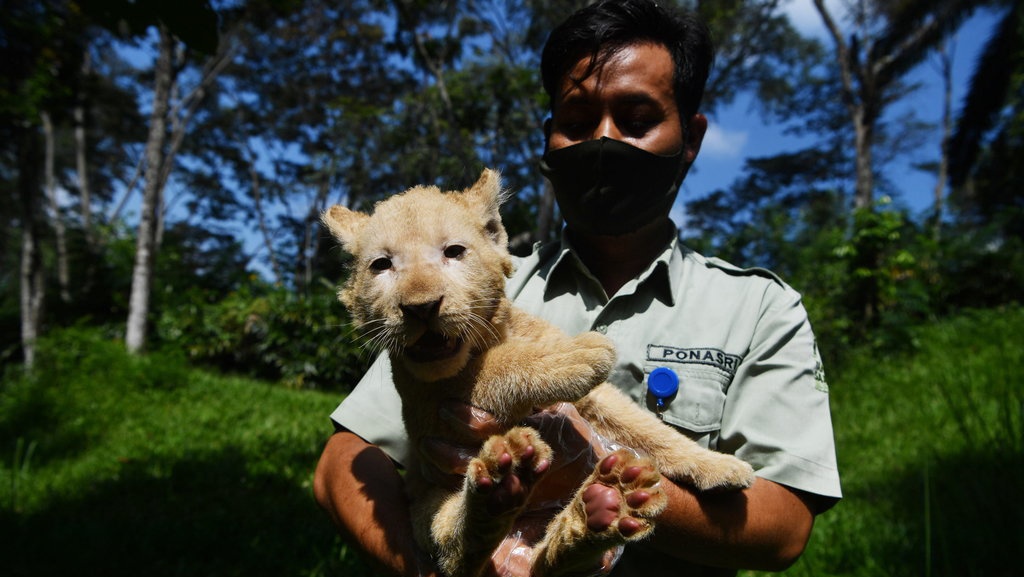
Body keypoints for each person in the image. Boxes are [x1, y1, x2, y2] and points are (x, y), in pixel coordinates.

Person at [313, 1, 842, 576]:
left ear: (690, 139)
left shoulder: (758, 307)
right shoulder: (480, 286)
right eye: (577, 120)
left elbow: (784, 530)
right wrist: (427, 568)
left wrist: (593, 467)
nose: (603, 141)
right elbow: (343, 461)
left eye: (636, 119)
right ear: (549, 139)